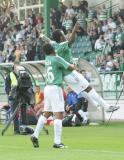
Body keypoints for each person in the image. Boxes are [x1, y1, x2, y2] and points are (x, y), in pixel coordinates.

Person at [40, 24, 119, 113]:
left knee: (82, 90)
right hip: (70, 73)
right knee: (88, 88)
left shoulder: (54, 45)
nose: (65, 35)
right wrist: (73, 31)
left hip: (65, 76)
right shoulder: (62, 45)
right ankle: (106, 107)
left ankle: (97, 105)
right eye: (63, 34)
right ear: (61, 37)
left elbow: (48, 40)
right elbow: (71, 40)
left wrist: (42, 36)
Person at [30, 43, 76, 149]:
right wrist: (74, 64)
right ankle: (57, 142)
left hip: (47, 88)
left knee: (47, 113)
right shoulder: (56, 58)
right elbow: (70, 68)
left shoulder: (47, 59)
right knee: (59, 114)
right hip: (55, 88)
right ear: (53, 49)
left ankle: (35, 135)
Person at [5, 61, 35, 134]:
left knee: (24, 113)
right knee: (15, 114)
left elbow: (29, 85)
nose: (18, 68)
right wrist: (10, 94)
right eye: (16, 66)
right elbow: (7, 87)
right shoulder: (10, 75)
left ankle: (24, 129)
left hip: (23, 95)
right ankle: (16, 130)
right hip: (14, 96)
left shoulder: (25, 75)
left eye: (19, 66)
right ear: (13, 67)